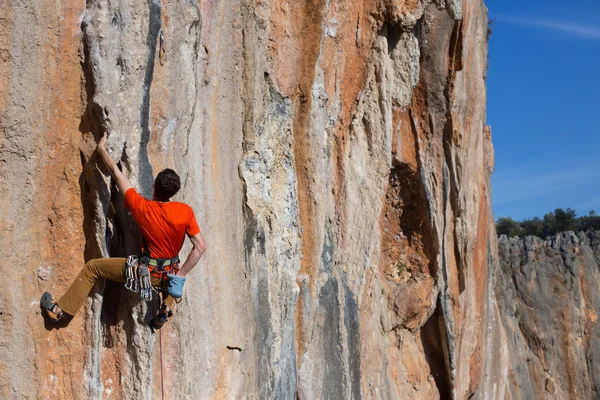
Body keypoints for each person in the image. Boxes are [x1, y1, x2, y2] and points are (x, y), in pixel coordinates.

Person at [40, 132, 206, 328]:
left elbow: (117, 175)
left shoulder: (142, 207)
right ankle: (165, 309)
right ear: (174, 192)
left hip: (144, 273)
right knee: (174, 270)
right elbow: (200, 246)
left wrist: (101, 149)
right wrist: (181, 275)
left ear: (154, 186)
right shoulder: (185, 211)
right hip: (167, 279)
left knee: (93, 267)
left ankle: (59, 311)